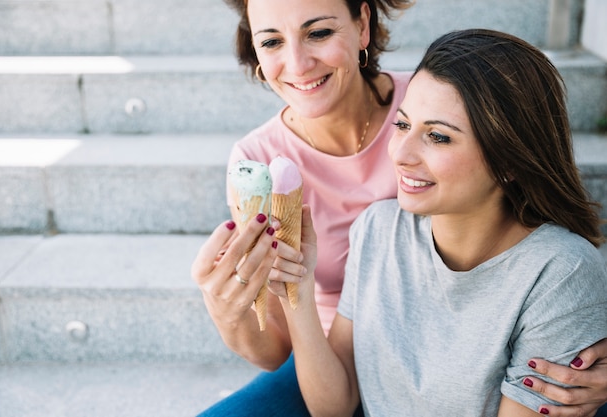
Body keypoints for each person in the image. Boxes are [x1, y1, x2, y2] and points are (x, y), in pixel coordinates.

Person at [191, 0, 607, 414]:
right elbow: (289, 359)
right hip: (345, 348)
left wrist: (578, 320)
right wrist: (232, 309)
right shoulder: (358, 218)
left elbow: (556, 264)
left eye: (318, 32)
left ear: (362, 26)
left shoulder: (443, 89)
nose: (298, 64)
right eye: (402, 125)